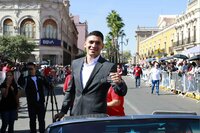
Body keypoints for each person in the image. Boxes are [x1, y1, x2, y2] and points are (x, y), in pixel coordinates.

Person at [54, 30, 127, 120]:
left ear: (102, 46)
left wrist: (119, 83)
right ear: (85, 44)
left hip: (97, 118)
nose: (93, 45)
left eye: (97, 43)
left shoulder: (108, 66)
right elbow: (70, 90)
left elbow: (120, 91)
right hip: (76, 115)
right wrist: (63, 111)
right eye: (91, 42)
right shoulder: (75, 63)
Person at [18, 62, 51, 133]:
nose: (30, 70)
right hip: (31, 103)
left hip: (40, 102)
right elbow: (20, 83)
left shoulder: (40, 77)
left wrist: (50, 83)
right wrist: (22, 73)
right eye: (28, 69)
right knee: (32, 120)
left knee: (41, 120)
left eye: (31, 68)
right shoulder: (26, 79)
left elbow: (48, 86)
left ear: (35, 69)